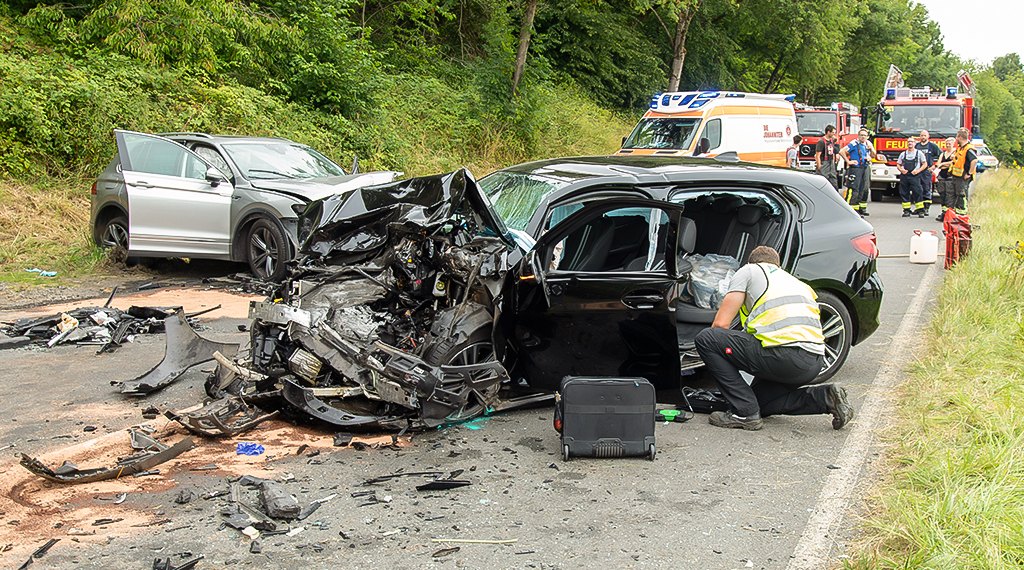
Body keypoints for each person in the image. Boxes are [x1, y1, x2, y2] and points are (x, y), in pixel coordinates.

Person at [693, 246, 853, 431]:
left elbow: (720, 325)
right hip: (814, 362)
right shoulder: (797, 283)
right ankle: (826, 397)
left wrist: (725, 360)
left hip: (785, 355)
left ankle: (744, 414)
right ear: (778, 266)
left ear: (750, 262)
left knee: (708, 339)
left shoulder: (750, 271)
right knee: (758, 403)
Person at [840, 128, 880, 217]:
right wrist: (848, 161)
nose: (863, 137)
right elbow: (841, 151)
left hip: (864, 168)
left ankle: (856, 211)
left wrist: (871, 152)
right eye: (861, 135)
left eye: (865, 135)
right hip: (855, 169)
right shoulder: (854, 143)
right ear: (858, 136)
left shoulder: (867, 144)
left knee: (861, 190)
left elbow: (873, 155)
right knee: (854, 190)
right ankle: (848, 211)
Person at [946, 127, 977, 216]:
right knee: (953, 195)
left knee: (961, 195)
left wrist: (969, 173)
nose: (956, 139)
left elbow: (974, 160)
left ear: (960, 137)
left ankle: (962, 215)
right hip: (956, 176)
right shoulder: (961, 148)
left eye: (957, 137)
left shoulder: (968, 149)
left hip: (963, 176)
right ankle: (952, 214)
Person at [896, 137, 927, 217]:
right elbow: (898, 164)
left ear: (915, 143)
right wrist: (901, 170)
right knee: (904, 192)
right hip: (905, 176)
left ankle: (920, 210)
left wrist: (918, 171)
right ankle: (906, 211)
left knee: (918, 192)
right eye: (908, 142)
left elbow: (924, 164)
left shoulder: (919, 153)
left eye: (912, 142)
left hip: (915, 176)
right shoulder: (903, 154)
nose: (910, 143)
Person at [917, 130, 941, 216]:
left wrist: (934, 166)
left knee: (926, 189)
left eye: (925, 135)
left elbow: (941, 156)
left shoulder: (932, 146)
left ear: (928, 136)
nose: (923, 137)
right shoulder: (917, 146)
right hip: (917, 171)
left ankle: (926, 208)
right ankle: (920, 208)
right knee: (918, 189)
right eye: (921, 135)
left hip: (927, 171)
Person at [933, 137, 957, 221]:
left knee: (949, 196)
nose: (948, 145)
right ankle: (943, 213)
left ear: (953, 144)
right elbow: (938, 164)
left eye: (949, 144)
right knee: (942, 195)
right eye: (947, 144)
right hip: (942, 177)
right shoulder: (943, 154)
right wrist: (944, 165)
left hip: (950, 177)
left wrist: (943, 164)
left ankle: (949, 215)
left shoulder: (955, 153)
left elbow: (953, 163)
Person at [814, 125, 841, 190]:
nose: (834, 134)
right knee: (823, 182)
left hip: (831, 163)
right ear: (828, 132)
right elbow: (817, 156)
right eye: (833, 132)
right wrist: (820, 167)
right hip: (824, 163)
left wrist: (833, 163)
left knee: (834, 182)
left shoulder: (832, 140)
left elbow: (833, 152)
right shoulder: (821, 142)